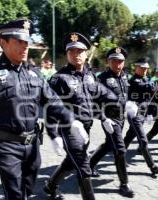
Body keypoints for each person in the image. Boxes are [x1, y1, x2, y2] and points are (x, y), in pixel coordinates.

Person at [0, 19, 76, 200]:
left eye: (27, 42)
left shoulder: (34, 74)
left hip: (33, 147)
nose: (25, 46)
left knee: (28, 190)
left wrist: (71, 121)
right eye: (19, 41)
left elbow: (53, 102)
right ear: (3, 42)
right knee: (16, 194)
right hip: (6, 147)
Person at [44, 32, 118, 200]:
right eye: (72, 51)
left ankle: (50, 186)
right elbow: (50, 107)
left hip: (87, 126)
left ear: (85, 54)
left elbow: (92, 102)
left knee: (71, 162)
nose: (76, 55)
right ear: (67, 54)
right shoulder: (59, 78)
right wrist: (54, 134)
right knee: (83, 167)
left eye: (79, 51)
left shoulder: (90, 76)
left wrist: (104, 117)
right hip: (69, 128)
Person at [89, 47, 134, 197]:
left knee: (109, 144)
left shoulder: (125, 77)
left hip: (121, 117)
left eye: (120, 61)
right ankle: (124, 184)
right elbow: (94, 101)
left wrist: (131, 105)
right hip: (109, 118)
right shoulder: (101, 78)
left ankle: (89, 165)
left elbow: (126, 95)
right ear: (108, 61)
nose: (117, 63)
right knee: (120, 149)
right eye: (114, 60)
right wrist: (103, 118)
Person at [123, 57, 158, 175]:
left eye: (146, 68)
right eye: (142, 68)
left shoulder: (145, 78)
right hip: (135, 114)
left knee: (130, 136)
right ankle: (152, 166)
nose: (145, 70)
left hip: (143, 113)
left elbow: (151, 94)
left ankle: (119, 156)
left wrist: (150, 113)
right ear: (136, 67)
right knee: (143, 140)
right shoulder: (133, 80)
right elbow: (145, 87)